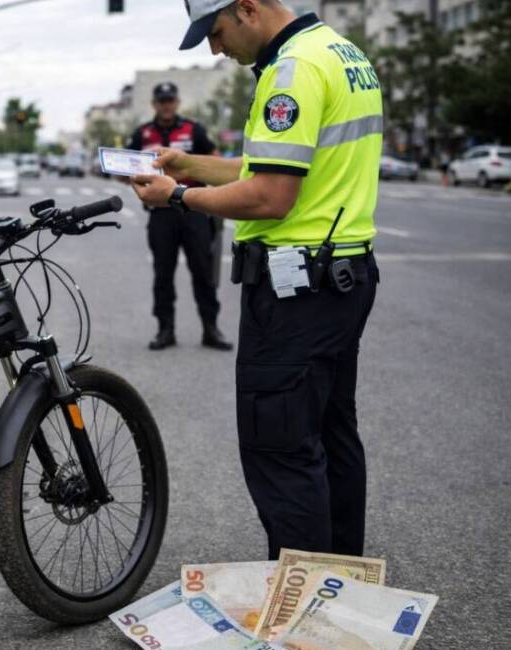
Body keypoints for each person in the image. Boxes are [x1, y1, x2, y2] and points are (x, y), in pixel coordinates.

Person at [130, 0, 381, 559]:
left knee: (283, 448)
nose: (217, 50)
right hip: (344, 275)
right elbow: (276, 167)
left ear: (246, 8)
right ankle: (337, 583)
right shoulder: (341, 53)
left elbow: (269, 196)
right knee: (331, 435)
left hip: (297, 288)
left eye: (216, 33)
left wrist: (178, 196)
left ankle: (301, 604)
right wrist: (190, 164)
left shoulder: (290, 70)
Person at [126, 82, 232, 351]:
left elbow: (214, 159)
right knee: (163, 273)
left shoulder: (193, 129)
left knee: (203, 271)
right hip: (161, 213)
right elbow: (125, 167)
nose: (166, 105)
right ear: (154, 104)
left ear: (177, 102)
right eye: (161, 100)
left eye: (170, 100)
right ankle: (165, 329)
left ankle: (211, 328)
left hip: (194, 209)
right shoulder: (143, 133)